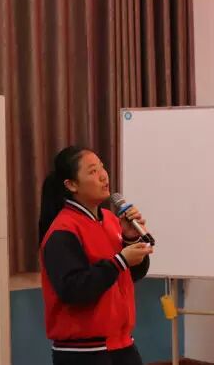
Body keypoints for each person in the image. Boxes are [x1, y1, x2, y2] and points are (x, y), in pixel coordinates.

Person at [38, 145, 153, 365]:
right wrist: (120, 261)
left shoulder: (110, 219)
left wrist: (130, 239)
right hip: (83, 352)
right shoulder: (63, 230)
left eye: (102, 167)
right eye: (92, 171)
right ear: (71, 185)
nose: (103, 176)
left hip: (121, 344)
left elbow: (132, 274)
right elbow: (74, 289)